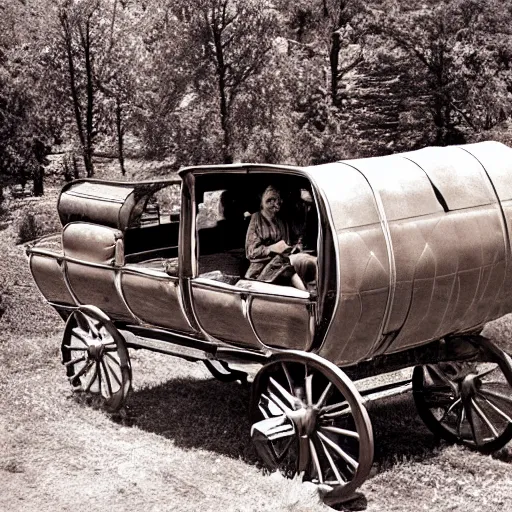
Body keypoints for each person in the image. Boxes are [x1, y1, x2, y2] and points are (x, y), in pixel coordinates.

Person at [245, 185, 317, 291]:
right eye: (270, 200)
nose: (274, 204)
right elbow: (251, 252)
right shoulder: (256, 219)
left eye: (277, 200)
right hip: (261, 269)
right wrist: (270, 249)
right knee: (286, 267)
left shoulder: (281, 221)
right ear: (261, 201)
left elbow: (288, 243)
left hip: (282, 260)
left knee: (311, 261)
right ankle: (306, 293)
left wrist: (293, 247)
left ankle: (316, 290)